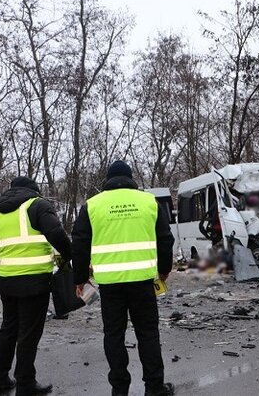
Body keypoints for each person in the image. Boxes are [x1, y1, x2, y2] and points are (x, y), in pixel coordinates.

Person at [72, 161, 175, 396]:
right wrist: (164, 270)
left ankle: (119, 390)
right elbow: (165, 238)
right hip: (143, 282)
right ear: (131, 178)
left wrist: (80, 279)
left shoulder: (92, 205)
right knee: (148, 334)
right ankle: (154, 388)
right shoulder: (149, 202)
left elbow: (79, 243)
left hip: (110, 285)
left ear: (107, 180)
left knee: (114, 335)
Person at [0, 176, 71, 395]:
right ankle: (25, 382)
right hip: (34, 281)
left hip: (6, 279)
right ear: (34, 190)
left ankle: (0, 377)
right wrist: (71, 256)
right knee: (28, 333)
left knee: (9, 328)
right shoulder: (38, 205)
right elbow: (56, 234)